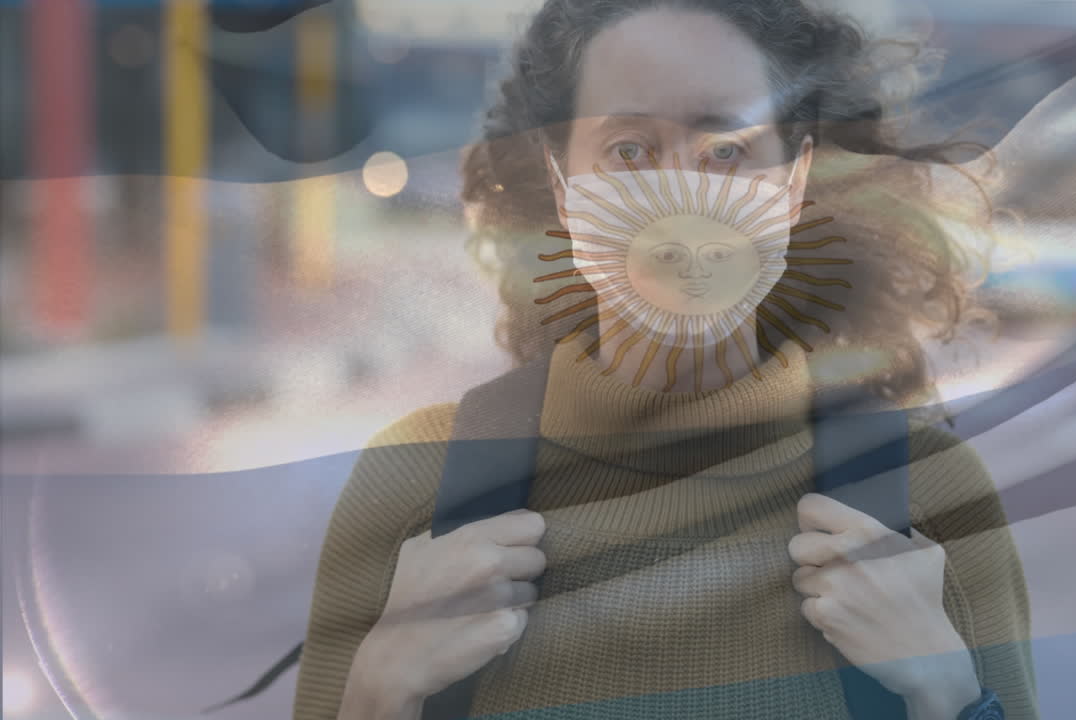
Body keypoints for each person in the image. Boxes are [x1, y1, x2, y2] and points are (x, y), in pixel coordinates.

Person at [294, 1, 1036, 719]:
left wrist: (949, 692)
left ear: (795, 180)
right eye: (629, 151)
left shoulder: (930, 497)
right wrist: (376, 693)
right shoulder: (414, 484)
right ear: (560, 182)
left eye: (726, 153)